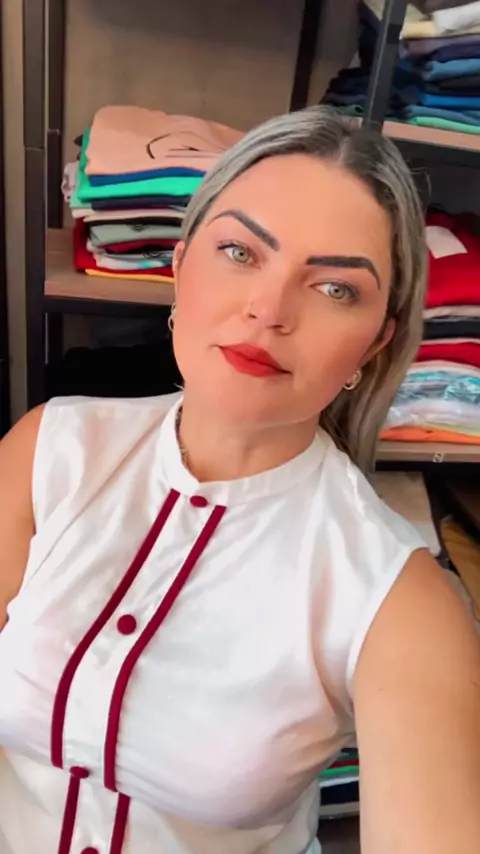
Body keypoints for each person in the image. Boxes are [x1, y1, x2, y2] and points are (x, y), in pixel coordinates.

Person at [0, 106, 479, 854]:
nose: (268, 309)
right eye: (239, 251)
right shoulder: (47, 451)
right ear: (181, 263)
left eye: (335, 289)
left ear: (375, 343)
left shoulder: (398, 600)